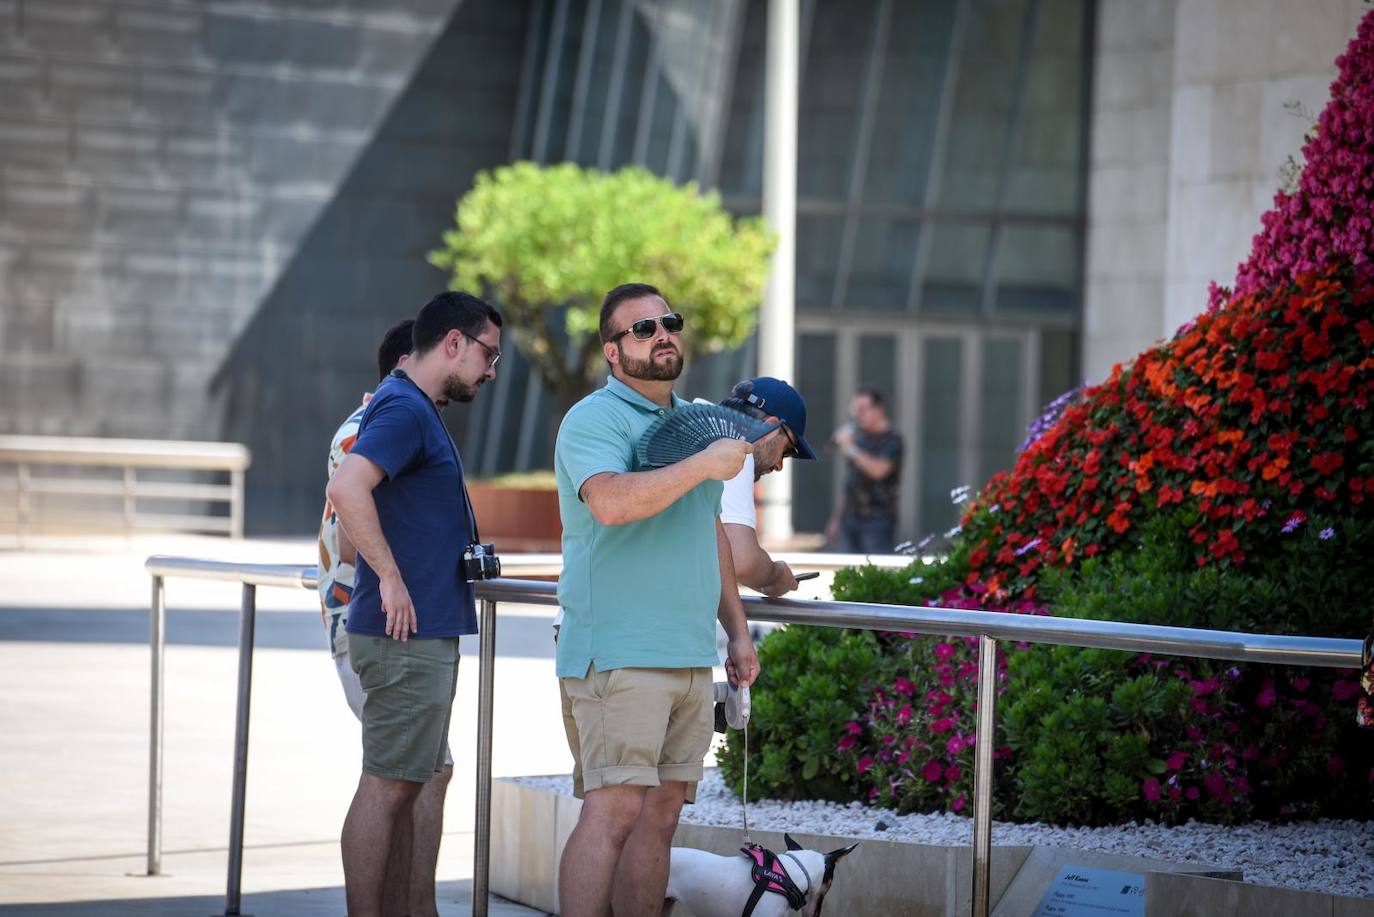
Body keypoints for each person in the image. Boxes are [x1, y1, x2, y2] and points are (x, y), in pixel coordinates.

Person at [554, 282, 761, 917]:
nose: (662, 334)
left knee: (662, 820)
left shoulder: (694, 420)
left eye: (668, 322)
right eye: (642, 329)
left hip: (691, 654)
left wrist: (738, 630)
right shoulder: (593, 418)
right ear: (613, 352)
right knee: (613, 811)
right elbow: (612, 502)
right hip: (618, 652)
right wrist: (703, 464)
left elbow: (711, 538)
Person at [327, 291, 502, 917]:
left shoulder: (413, 408)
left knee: (404, 785)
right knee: (388, 786)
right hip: (405, 636)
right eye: (488, 354)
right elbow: (346, 490)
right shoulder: (403, 407)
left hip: (419, 635)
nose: (489, 370)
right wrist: (392, 578)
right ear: (452, 342)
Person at [316, 318, 460, 917]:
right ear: (413, 357)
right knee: (395, 778)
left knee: (425, 771)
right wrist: (398, 578)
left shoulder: (387, 420)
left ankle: (414, 906)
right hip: (377, 623)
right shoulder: (379, 424)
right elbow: (351, 530)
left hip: (387, 623)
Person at [714, 377, 819, 596]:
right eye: (787, 450)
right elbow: (744, 562)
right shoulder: (734, 448)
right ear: (771, 427)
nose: (780, 465)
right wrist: (776, 574)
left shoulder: (697, 429)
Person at [825, 387, 904, 554]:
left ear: (878, 409)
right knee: (847, 571)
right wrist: (836, 519)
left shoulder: (893, 440)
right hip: (850, 519)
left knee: (875, 571)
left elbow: (879, 470)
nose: (858, 414)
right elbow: (849, 482)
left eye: (863, 409)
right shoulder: (859, 438)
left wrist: (851, 448)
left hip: (877, 521)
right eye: (855, 409)